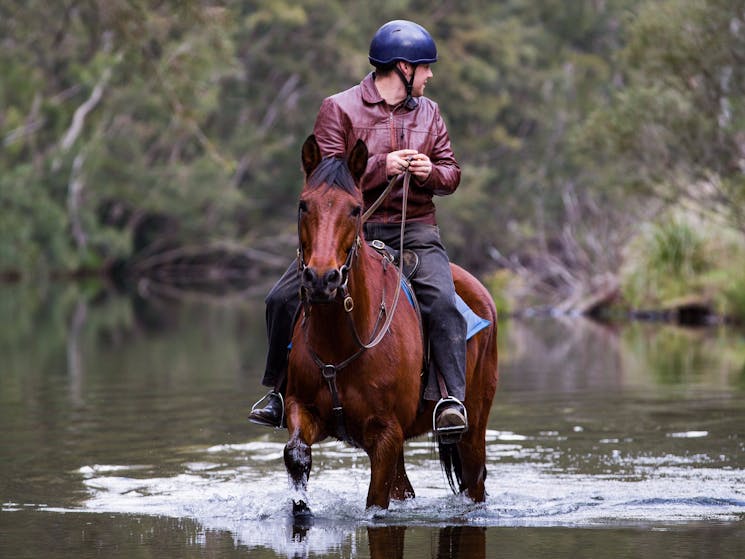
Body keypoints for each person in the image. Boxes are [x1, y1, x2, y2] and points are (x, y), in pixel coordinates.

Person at [249, 19, 468, 435]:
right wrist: (379, 167)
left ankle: (449, 400)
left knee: (442, 302)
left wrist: (429, 172)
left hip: (416, 231)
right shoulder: (339, 108)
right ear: (403, 68)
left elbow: (452, 173)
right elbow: (324, 180)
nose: (430, 75)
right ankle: (279, 393)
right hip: (349, 233)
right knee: (279, 300)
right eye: (425, 67)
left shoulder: (431, 112)